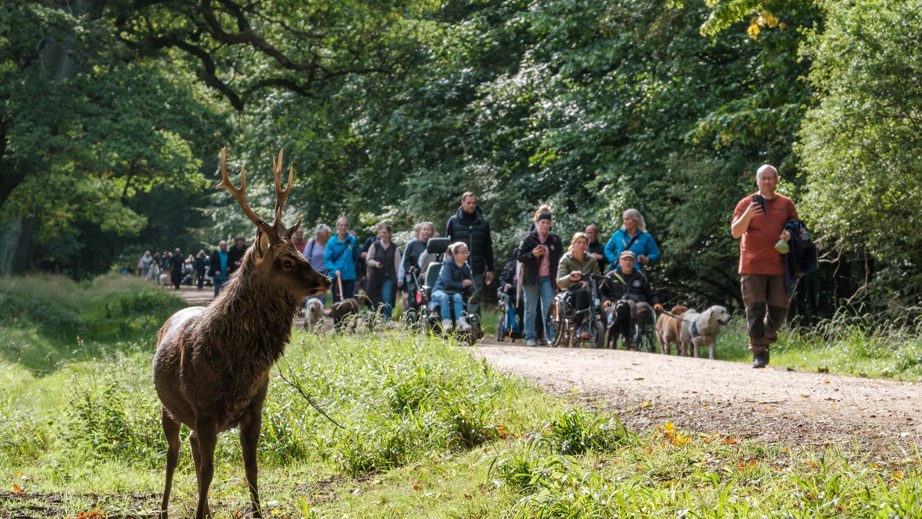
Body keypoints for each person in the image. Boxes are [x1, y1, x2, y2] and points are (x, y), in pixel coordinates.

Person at [731, 164, 799, 368]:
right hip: (751, 266)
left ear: (777, 180)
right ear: (757, 180)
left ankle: (766, 335)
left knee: (779, 312)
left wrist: (790, 233)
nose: (767, 181)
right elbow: (735, 232)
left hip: (779, 266)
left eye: (771, 178)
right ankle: (758, 352)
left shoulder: (786, 203)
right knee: (755, 310)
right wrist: (748, 214)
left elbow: (798, 228)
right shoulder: (746, 203)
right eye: (764, 178)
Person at [517, 205, 563, 346]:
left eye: (548, 223)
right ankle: (530, 336)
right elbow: (520, 257)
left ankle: (550, 336)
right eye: (542, 222)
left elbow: (560, 258)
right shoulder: (529, 238)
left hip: (548, 278)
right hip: (531, 279)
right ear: (537, 223)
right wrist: (532, 254)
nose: (545, 225)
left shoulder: (555, 240)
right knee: (531, 309)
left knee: (549, 307)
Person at [599, 250, 663, 350]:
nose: (627, 262)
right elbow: (602, 292)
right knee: (622, 307)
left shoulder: (641, 277)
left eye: (630, 260)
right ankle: (622, 335)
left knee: (639, 307)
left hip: (639, 303)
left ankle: (633, 337)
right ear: (620, 262)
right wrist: (605, 300)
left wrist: (656, 303)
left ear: (634, 262)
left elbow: (651, 293)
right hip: (617, 304)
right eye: (625, 260)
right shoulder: (610, 276)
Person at [445, 192, 496, 315]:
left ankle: (473, 324)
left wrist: (490, 268)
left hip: (476, 268)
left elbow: (487, 247)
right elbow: (447, 246)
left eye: (474, 203)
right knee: (457, 297)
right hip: (456, 268)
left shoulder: (483, 223)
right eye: (469, 203)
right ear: (462, 203)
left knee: (474, 297)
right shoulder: (453, 221)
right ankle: (459, 322)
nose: (472, 205)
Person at [556, 232, 601, 340]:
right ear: (573, 243)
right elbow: (559, 281)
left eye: (584, 243)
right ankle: (578, 326)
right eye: (579, 242)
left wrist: (588, 282)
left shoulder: (591, 260)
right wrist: (570, 278)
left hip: (590, 291)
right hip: (570, 293)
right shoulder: (565, 259)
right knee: (582, 292)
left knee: (600, 294)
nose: (581, 245)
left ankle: (599, 325)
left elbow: (598, 278)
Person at [430, 242, 474, 332]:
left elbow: (472, 284)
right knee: (444, 297)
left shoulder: (466, 267)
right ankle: (446, 323)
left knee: (458, 297)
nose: (466, 255)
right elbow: (447, 283)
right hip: (439, 291)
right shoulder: (447, 265)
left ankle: (461, 322)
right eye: (463, 253)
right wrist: (462, 284)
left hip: (454, 292)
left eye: (467, 252)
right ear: (455, 254)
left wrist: (469, 286)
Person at [365, 222, 401, 321]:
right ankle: (377, 318)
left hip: (389, 276)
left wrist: (399, 278)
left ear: (389, 233)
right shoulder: (375, 245)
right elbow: (368, 260)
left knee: (387, 297)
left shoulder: (394, 247)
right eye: (381, 232)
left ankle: (387, 319)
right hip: (375, 277)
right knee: (375, 298)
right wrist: (375, 263)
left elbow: (398, 264)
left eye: (385, 233)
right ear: (379, 233)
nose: (383, 235)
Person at [398, 221, 435, 313]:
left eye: (428, 230)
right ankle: (410, 317)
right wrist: (408, 270)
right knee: (412, 299)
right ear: (420, 231)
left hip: (430, 277)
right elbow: (406, 261)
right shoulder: (412, 245)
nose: (426, 232)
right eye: (424, 229)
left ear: (432, 232)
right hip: (414, 277)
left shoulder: (435, 245)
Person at [324, 216, 360, 303]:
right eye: (341, 225)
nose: (343, 227)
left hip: (350, 276)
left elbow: (356, 256)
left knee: (348, 301)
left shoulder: (353, 240)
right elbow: (327, 260)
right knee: (337, 302)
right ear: (337, 226)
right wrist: (334, 269)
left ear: (348, 227)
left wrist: (352, 267)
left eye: (345, 225)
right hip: (337, 276)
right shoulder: (331, 242)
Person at [302, 223, 331, 304]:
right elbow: (305, 258)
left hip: (324, 276)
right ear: (320, 233)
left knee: (321, 301)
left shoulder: (327, 244)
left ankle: (321, 312)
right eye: (326, 232)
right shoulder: (312, 242)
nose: (328, 234)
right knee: (311, 299)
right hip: (313, 275)